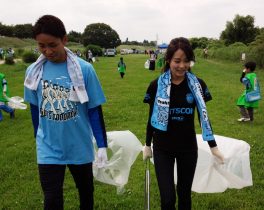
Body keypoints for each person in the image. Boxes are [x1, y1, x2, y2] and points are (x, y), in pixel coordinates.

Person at [24, 15, 108, 210]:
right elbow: (35, 109)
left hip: (79, 146)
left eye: (52, 45)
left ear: (64, 40)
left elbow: (94, 110)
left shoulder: (85, 70)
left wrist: (102, 145)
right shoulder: (33, 72)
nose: (47, 51)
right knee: (52, 199)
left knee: (86, 193)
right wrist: (38, 136)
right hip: (48, 148)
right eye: (41, 46)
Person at [142, 37, 224, 210]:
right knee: (168, 199)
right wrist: (147, 144)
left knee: (184, 196)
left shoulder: (198, 84)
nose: (182, 66)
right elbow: (152, 117)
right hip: (162, 148)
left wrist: (213, 146)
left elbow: (203, 116)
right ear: (169, 60)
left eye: (186, 61)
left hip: (187, 148)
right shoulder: (156, 85)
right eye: (177, 61)